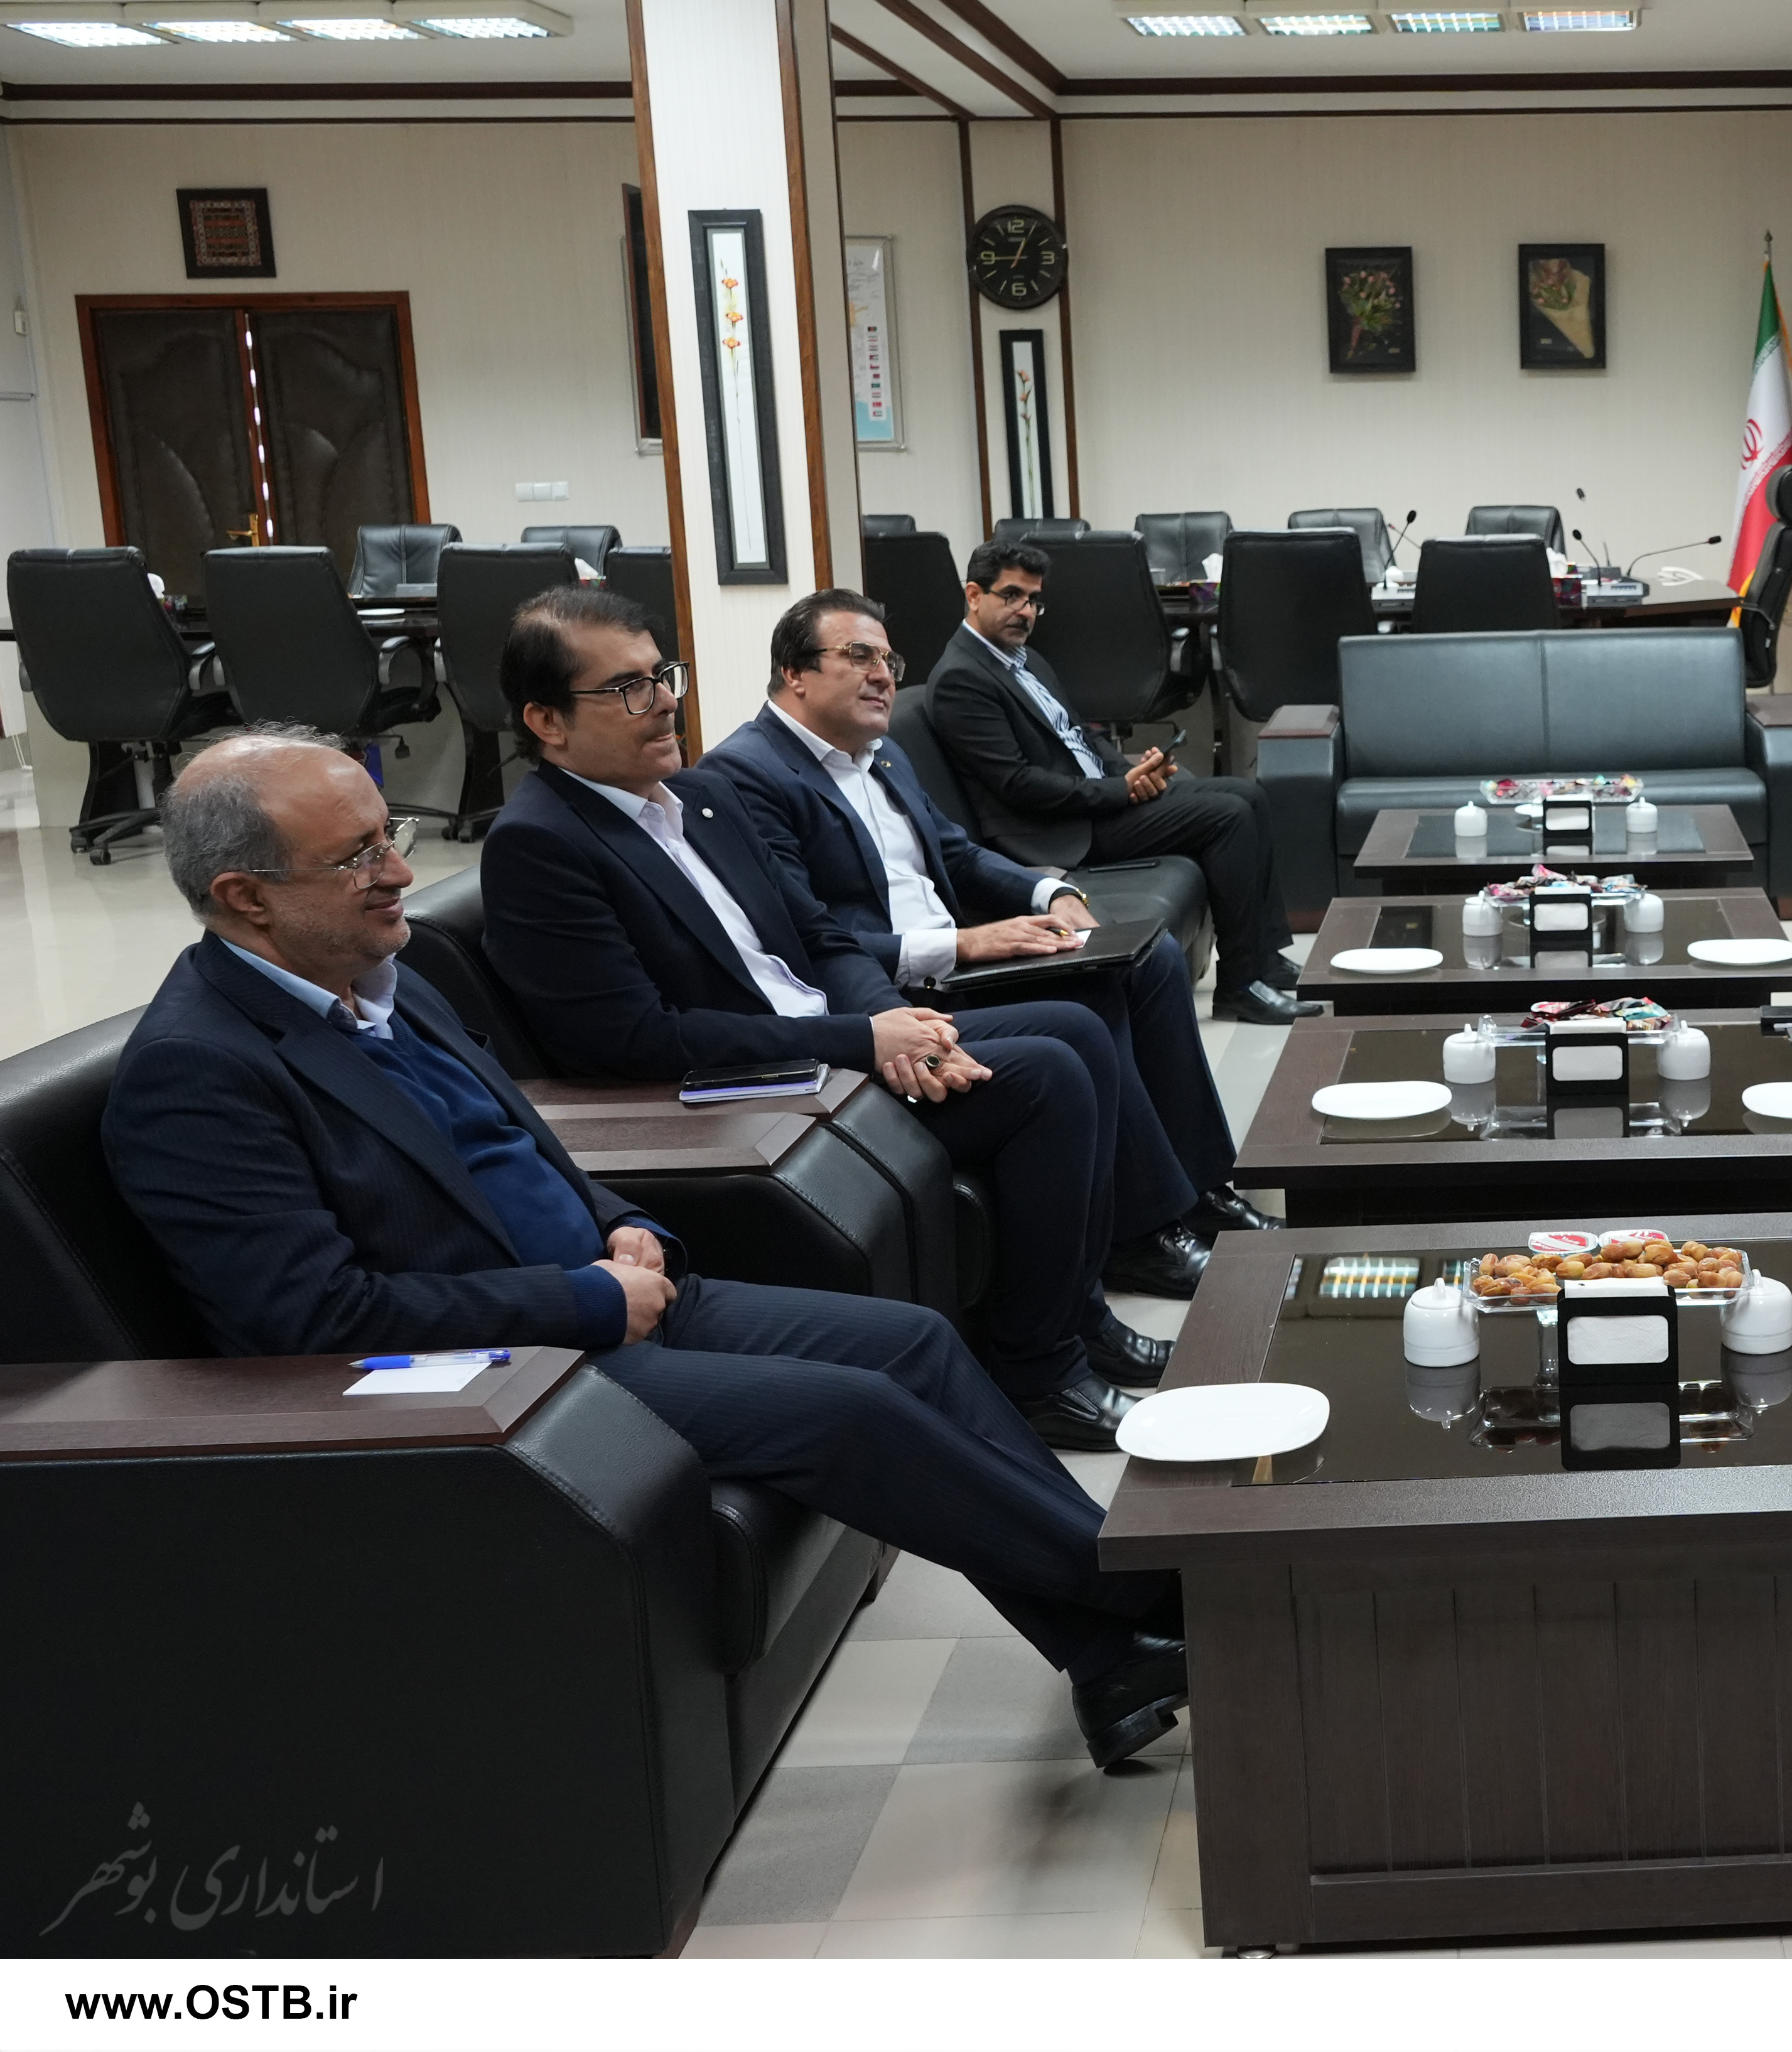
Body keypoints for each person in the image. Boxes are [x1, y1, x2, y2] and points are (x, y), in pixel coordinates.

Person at [100, 729, 1192, 1768]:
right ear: (246, 897)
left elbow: (516, 1147)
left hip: (612, 1288)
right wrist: (582, 1298)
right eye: (355, 856)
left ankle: (1113, 1656)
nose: (398, 871)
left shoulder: (389, 976)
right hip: (504, 1370)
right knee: (850, 1413)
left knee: (912, 1344)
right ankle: (1171, 1601)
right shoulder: (198, 1073)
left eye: (390, 836)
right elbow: (310, 1320)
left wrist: (624, 1221)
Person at [475, 587, 1158, 1449]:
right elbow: (634, 1039)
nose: (667, 703)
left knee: (1076, 1028)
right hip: (758, 1086)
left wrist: (896, 1022)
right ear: (547, 721)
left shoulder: (699, 797)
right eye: (629, 690)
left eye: (664, 676)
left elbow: (821, 937)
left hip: (835, 1037)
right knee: (1048, 1073)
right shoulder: (539, 844)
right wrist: (862, 1039)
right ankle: (1040, 1371)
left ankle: (1078, 1314)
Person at [706, 590, 1280, 1281]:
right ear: (794, 673)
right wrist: (967, 944)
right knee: (1091, 1003)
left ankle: (1206, 1187)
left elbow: (955, 853)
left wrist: (1052, 892)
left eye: (889, 660)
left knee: (1147, 956)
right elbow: (806, 941)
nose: (884, 675)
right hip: (894, 992)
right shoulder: (746, 776)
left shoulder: (879, 753)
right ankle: (1142, 1235)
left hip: (954, 959)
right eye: (859, 656)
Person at [922, 539, 1302, 1026]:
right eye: (1012, 596)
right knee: (1228, 817)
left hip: (1094, 802)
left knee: (1247, 793)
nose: (1026, 612)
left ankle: (1265, 958)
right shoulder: (961, 679)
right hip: (1056, 831)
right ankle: (1240, 986)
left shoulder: (1023, 660)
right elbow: (1018, 785)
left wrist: (1128, 772)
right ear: (975, 595)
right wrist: (1121, 791)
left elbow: (1080, 735)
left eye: (1034, 600)